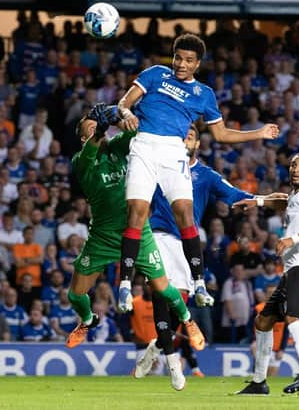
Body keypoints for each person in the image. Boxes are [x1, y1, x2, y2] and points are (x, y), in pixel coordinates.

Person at [115, 32, 279, 314]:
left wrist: (260, 132)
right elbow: (123, 103)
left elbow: (222, 134)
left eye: (188, 60)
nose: (181, 64)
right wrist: (126, 113)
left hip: (173, 152)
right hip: (143, 146)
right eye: (178, 57)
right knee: (137, 212)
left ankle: (199, 282)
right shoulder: (155, 74)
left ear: (197, 64)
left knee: (185, 214)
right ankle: (125, 286)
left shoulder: (204, 94)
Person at [135, 126, 284, 387]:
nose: (185, 139)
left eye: (190, 136)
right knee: (161, 296)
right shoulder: (158, 167)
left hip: (187, 243)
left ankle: (157, 346)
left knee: (176, 304)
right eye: (181, 136)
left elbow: (234, 195)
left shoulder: (205, 175)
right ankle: (172, 365)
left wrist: (263, 201)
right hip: (158, 236)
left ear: (197, 146)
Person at [65, 106, 204, 357]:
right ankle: (87, 320)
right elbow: (89, 152)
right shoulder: (81, 161)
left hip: (137, 229)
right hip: (102, 236)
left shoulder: (118, 146)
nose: (97, 131)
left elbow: (136, 130)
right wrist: (100, 130)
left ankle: (187, 319)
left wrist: (120, 115)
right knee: (75, 294)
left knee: (163, 286)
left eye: (98, 126)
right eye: (91, 130)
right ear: (84, 139)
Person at [234, 152, 299, 395]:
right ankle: (259, 382)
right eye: (292, 165)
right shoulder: (298, 194)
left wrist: (292, 239)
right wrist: (257, 202)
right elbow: (283, 200)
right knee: (263, 321)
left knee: (293, 316)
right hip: (293, 268)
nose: (295, 169)